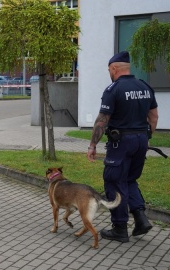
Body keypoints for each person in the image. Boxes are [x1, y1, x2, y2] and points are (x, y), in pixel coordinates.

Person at [87, 51, 159, 242]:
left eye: (109, 70)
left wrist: (92, 144)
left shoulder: (113, 89)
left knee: (114, 181)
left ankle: (120, 229)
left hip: (121, 143)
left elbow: (102, 120)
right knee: (129, 179)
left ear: (114, 68)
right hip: (141, 140)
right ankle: (141, 219)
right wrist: (147, 137)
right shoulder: (145, 86)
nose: (109, 73)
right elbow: (154, 117)